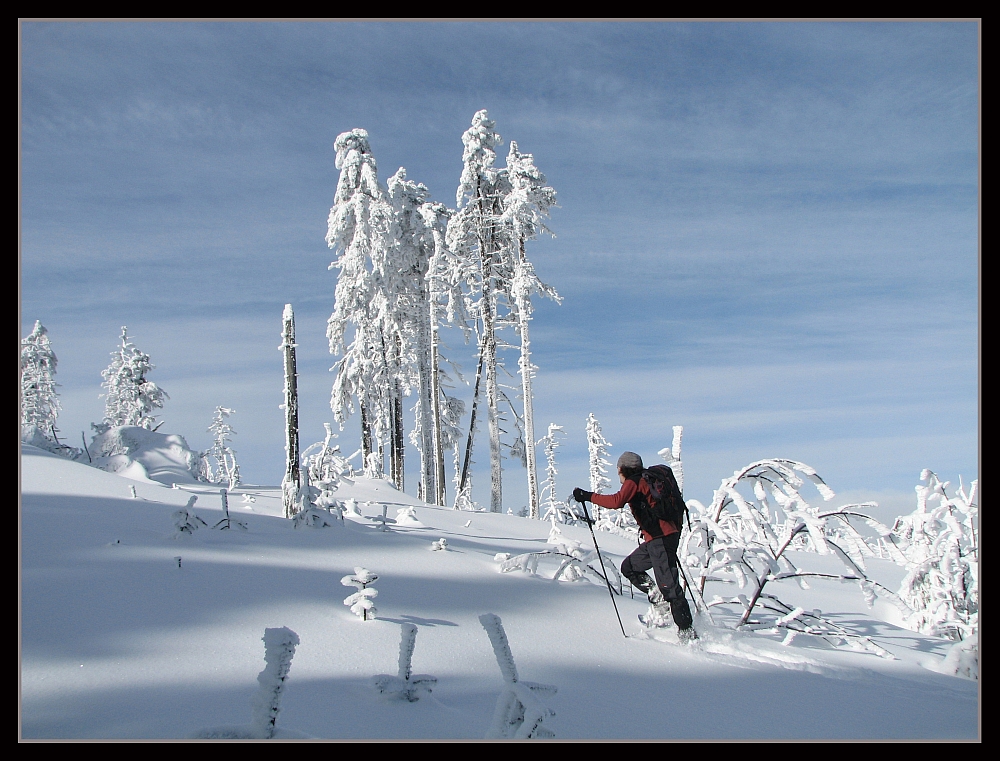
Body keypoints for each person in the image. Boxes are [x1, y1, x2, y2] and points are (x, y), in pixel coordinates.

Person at [573, 451, 698, 641]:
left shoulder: (634, 482)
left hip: (660, 538)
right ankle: (659, 599)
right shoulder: (646, 480)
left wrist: (587, 496)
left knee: (670, 586)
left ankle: (688, 635)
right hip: (659, 538)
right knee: (630, 567)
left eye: (618, 470)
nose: (618, 475)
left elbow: (616, 502)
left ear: (624, 468)